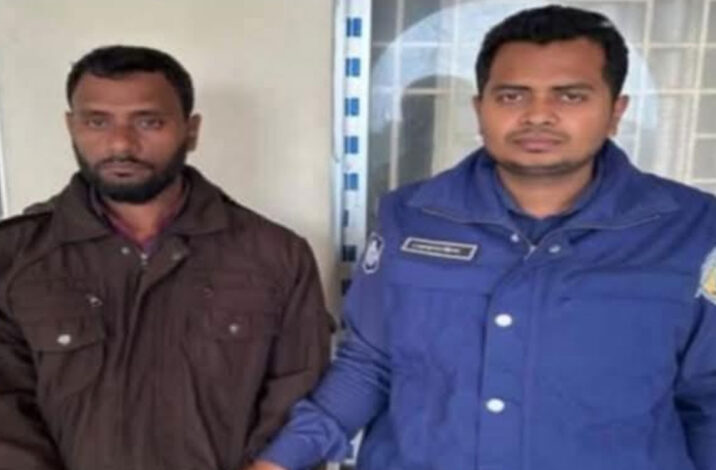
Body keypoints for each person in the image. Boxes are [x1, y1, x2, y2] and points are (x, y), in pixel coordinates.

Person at [249, 5, 716, 470]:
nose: (538, 115)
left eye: (570, 96)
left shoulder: (692, 230)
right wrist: (280, 462)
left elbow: (708, 396)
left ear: (616, 111)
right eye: (512, 96)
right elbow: (370, 364)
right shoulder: (411, 217)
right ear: (480, 109)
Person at [0, 45, 332, 470]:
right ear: (71, 126)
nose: (120, 144)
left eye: (149, 122)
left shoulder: (274, 256)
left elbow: (297, 402)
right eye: (97, 121)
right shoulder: (4, 262)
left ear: (191, 131)